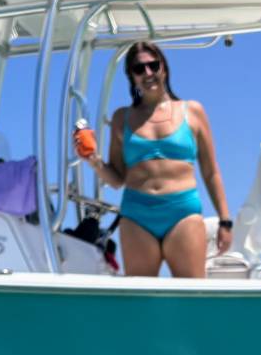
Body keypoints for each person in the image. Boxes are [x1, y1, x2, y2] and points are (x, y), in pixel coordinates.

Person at [88, 42, 233, 278]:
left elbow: (211, 172)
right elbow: (117, 179)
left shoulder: (193, 111)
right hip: (137, 216)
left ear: (164, 68)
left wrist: (225, 221)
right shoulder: (121, 118)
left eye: (153, 65)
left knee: (191, 299)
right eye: (139, 69)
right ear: (131, 77)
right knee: (141, 303)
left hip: (182, 213)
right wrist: (95, 163)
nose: (148, 73)